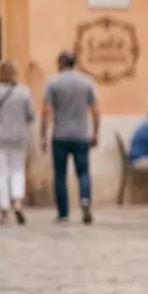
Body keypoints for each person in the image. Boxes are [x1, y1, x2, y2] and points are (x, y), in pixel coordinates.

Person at [41, 51, 100, 225]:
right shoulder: (86, 81)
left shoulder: (53, 82)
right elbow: (96, 110)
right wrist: (96, 132)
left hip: (60, 135)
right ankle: (85, 199)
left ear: (60, 63)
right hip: (81, 134)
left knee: (60, 174)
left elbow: (46, 111)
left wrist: (43, 135)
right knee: (83, 172)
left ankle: (63, 213)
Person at [0, 60, 35, 225]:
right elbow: (31, 115)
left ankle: (4, 209)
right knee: (18, 170)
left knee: (1, 172)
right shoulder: (24, 92)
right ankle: (17, 202)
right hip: (19, 137)